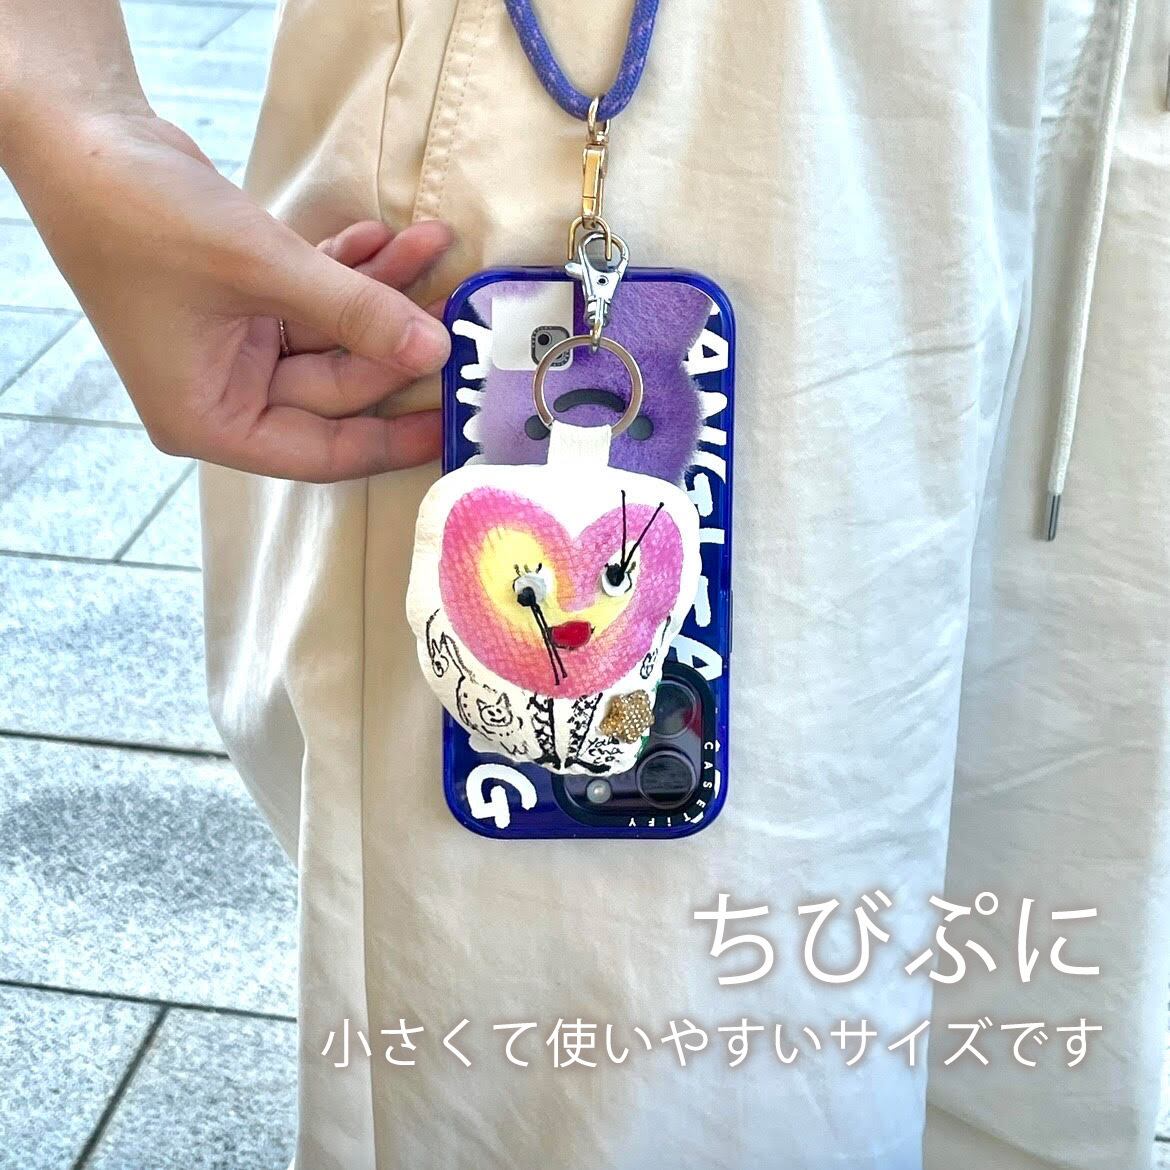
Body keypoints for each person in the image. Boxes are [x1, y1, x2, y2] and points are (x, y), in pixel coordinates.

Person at [3, 1, 1168, 1167]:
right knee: (655, 1075)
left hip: (1116, 114)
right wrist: (65, 104)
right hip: (663, 86)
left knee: (1027, 1015)